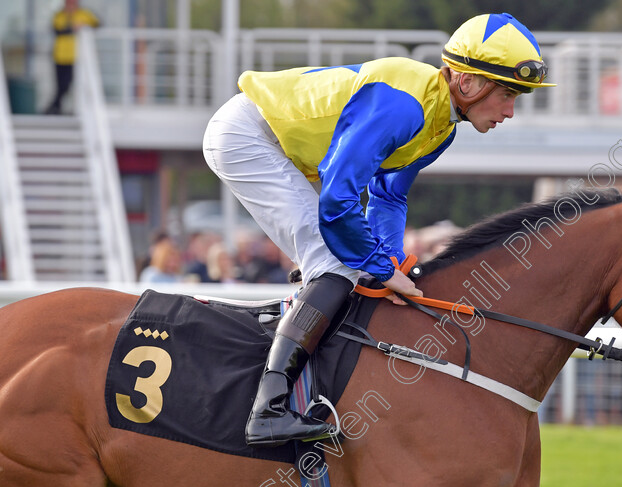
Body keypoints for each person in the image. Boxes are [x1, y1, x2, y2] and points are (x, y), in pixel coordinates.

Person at [203, 13, 554, 447]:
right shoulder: (404, 105)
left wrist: (386, 262)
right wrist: (379, 269)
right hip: (247, 135)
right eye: (505, 93)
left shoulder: (440, 125)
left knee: (352, 266)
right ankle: (268, 408)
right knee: (335, 262)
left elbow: (387, 196)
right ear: (466, 82)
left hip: (284, 149)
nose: (510, 111)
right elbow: (338, 199)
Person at [44, 0, 100, 115]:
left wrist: (84, 26)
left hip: (74, 57)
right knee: (60, 84)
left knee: (67, 84)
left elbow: (98, 24)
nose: (70, 5)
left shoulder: (84, 14)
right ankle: (56, 107)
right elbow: (57, 30)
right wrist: (72, 28)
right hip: (60, 56)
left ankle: (55, 107)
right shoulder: (59, 15)